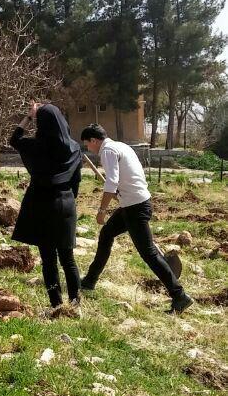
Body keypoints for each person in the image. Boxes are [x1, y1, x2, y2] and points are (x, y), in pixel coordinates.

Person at [79, 124, 193, 313]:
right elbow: (128, 176)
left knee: (149, 254)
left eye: (87, 144)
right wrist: (122, 192)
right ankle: (90, 280)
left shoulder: (107, 150)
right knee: (107, 234)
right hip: (135, 203)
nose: (88, 148)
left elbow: (111, 181)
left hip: (135, 208)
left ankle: (179, 296)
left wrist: (102, 210)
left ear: (94, 140)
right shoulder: (121, 146)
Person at [10, 101, 83, 313]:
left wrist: (29, 117)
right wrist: (70, 201)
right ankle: (76, 303)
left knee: (48, 259)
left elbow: (15, 139)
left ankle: (56, 305)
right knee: (68, 257)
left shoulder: (36, 146)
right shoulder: (74, 148)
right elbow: (76, 180)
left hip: (42, 205)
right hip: (66, 204)